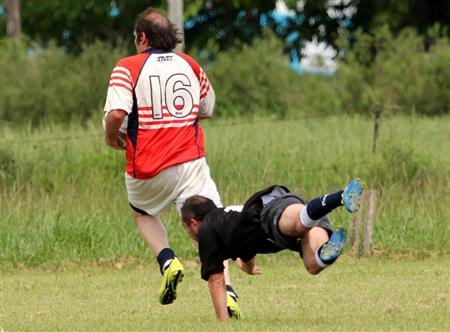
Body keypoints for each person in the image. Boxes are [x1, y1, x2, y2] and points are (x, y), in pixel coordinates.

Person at [103, 7, 240, 317]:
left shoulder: (127, 67)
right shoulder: (189, 64)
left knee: (142, 213)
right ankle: (228, 292)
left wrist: (111, 137)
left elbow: (116, 114)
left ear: (141, 37)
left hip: (147, 167)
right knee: (210, 226)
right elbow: (206, 108)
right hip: (190, 162)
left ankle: (166, 258)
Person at [180, 178, 364, 320]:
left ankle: (340, 196)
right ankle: (327, 252)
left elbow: (216, 280)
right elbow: (245, 246)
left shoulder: (207, 229)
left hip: (269, 209)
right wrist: (248, 266)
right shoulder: (228, 226)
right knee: (313, 263)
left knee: (299, 224)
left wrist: (223, 323)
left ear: (194, 224)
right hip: (295, 216)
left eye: (185, 229)